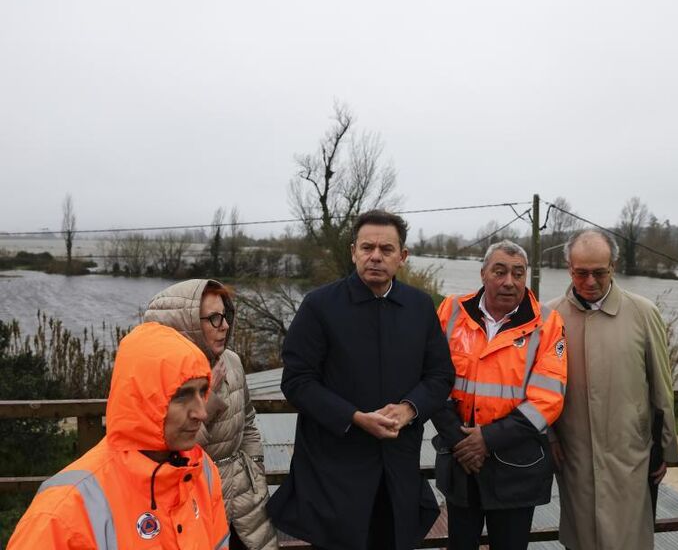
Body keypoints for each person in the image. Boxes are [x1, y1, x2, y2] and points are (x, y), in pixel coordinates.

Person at [267, 209, 454, 550]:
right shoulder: (320, 306)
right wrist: (354, 418)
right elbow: (297, 381)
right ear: (353, 251)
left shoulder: (420, 307)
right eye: (367, 248)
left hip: (398, 467)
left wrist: (410, 409)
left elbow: (440, 375)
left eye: (386, 250)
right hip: (335, 469)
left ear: (403, 256)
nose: (376, 257)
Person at [8, 322, 229, 549]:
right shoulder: (65, 509)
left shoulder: (202, 470)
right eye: (182, 396)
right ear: (143, 399)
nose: (201, 412)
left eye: (203, 391)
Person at [432, 240, 567, 550]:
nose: (509, 282)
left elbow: (548, 398)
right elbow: (431, 380)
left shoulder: (547, 324)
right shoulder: (451, 311)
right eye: (500, 271)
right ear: (483, 274)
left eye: (518, 273)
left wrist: (486, 440)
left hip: (515, 467)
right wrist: (461, 441)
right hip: (460, 463)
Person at [547, 229, 678, 550]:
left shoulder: (643, 313)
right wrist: (549, 437)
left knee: (628, 538)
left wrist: (665, 449)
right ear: (568, 268)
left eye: (599, 273)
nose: (590, 281)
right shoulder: (549, 317)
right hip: (574, 455)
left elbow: (661, 385)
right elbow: (541, 389)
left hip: (630, 456)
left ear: (614, 267)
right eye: (581, 273)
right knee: (581, 538)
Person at [144, 279, 278, 549]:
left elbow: (249, 422)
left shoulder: (233, 361)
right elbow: (171, 452)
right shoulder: (164, 377)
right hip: (194, 498)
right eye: (214, 319)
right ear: (188, 323)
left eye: (225, 316)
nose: (225, 326)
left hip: (244, 498)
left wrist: (254, 469)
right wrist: (209, 396)